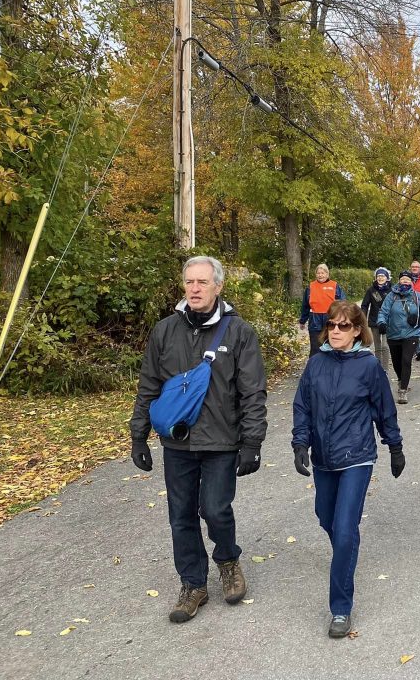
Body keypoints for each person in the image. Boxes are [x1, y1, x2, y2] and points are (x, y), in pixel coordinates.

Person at [129, 256, 268, 624]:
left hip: (222, 441)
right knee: (180, 516)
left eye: (202, 282)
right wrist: (138, 435)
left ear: (218, 287)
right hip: (177, 443)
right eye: (189, 282)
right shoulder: (164, 331)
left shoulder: (239, 333)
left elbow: (253, 392)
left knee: (216, 509)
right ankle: (193, 583)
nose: (194, 288)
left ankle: (227, 559)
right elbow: (149, 386)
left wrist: (252, 443)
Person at [292, 301, 404, 638]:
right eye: (332, 326)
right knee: (326, 518)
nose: (336, 331)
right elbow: (302, 406)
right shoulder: (315, 364)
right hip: (324, 458)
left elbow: (385, 410)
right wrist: (300, 444)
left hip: (357, 456)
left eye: (344, 326)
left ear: (357, 330)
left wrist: (394, 447)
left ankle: (341, 609)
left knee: (343, 529)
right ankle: (346, 548)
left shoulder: (368, 367)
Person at [377, 271, 420, 404]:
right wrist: (381, 322)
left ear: (411, 282)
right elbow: (384, 311)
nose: (405, 281)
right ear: (399, 281)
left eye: (407, 279)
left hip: (412, 334)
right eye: (402, 279)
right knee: (397, 363)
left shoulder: (417, 296)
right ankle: (400, 380)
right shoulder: (391, 296)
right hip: (393, 334)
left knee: (406, 360)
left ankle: (403, 390)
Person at [299, 264, 346, 356]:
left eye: (322, 273)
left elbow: (343, 303)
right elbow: (305, 306)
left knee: (332, 345)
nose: (320, 275)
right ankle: (315, 367)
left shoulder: (335, 286)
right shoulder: (310, 287)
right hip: (314, 320)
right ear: (316, 274)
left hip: (330, 319)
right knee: (315, 347)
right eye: (318, 273)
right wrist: (302, 321)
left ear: (327, 274)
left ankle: (333, 367)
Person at [360, 267, 392, 369]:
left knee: (385, 346)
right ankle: (379, 367)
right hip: (374, 321)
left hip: (388, 321)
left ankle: (385, 368)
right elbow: (364, 305)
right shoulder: (371, 290)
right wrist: (363, 317)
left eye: (382, 276)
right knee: (378, 346)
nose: (380, 278)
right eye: (378, 276)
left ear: (387, 278)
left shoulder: (392, 290)